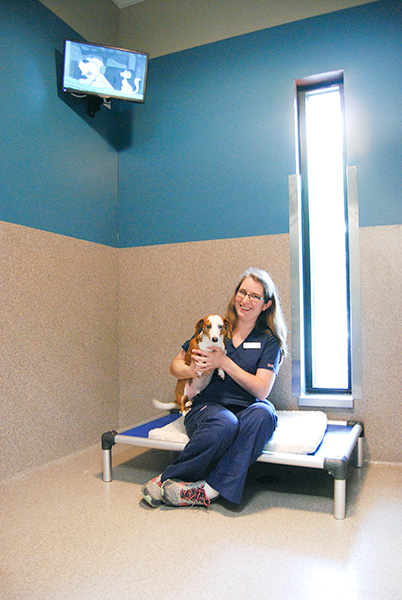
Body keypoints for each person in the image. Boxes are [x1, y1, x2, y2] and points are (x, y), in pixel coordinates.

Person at [141, 267, 287, 508]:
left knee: (264, 413)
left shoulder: (269, 341)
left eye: (254, 296)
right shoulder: (216, 327)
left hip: (246, 408)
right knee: (225, 423)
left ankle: (207, 490)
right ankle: (167, 478)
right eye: (242, 292)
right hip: (208, 407)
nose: (245, 300)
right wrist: (191, 371)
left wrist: (224, 362)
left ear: (266, 305)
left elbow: (262, 390)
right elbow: (175, 365)